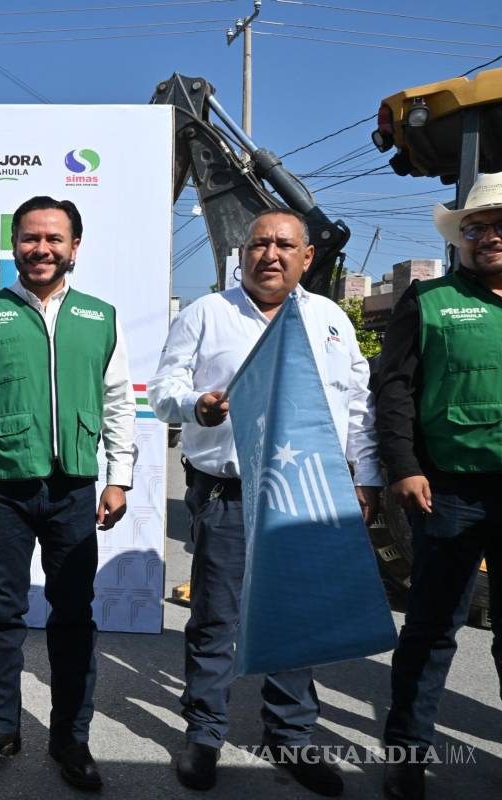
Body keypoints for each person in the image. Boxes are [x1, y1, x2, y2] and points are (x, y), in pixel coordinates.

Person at [148, 208, 381, 797]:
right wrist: (195, 405)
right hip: (227, 493)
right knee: (215, 620)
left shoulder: (328, 319)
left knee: (294, 616)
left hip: (304, 493)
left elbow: (357, 404)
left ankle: (293, 736)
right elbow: (163, 389)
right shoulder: (208, 313)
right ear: (241, 254)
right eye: (258, 244)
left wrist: (367, 477)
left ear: (306, 258)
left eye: (284, 245)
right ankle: (204, 733)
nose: (269, 254)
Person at [0, 196, 136, 792]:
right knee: (3, 613)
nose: (42, 249)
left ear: (75, 247)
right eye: (30, 238)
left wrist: (119, 476)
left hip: (74, 488)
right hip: (3, 485)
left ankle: (70, 738)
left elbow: (119, 399)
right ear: (15, 245)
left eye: (54, 239)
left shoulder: (100, 317)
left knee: (74, 616)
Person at [375, 172, 502, 800]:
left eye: (501, 226)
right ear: (462, 240)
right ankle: (407, 756)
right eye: (477, 228)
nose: (489, 237)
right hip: (446, 491)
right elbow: (393, 390)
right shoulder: (426, 301)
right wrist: (403, 466)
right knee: (431, 628)